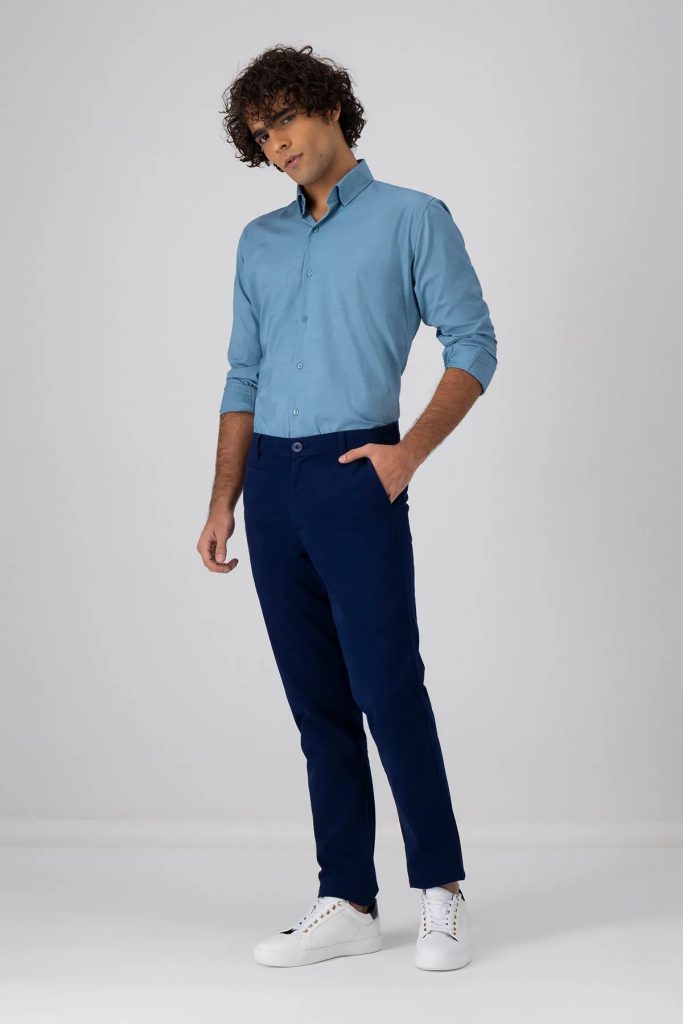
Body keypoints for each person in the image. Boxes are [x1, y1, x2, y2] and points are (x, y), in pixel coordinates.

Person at [197, 44, 497, 972]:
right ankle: (348, 899)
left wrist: (406, 455)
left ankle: (440, 890)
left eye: (285, 119)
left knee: (387, 687)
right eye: (261, 135)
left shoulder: (412, 218)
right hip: (271, 488)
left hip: (353, 470)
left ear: (330, 107)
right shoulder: (259, 241)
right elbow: (242, 376)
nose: (277, 144)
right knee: (317, 703)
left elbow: (473, 344)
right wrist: (222, 501)